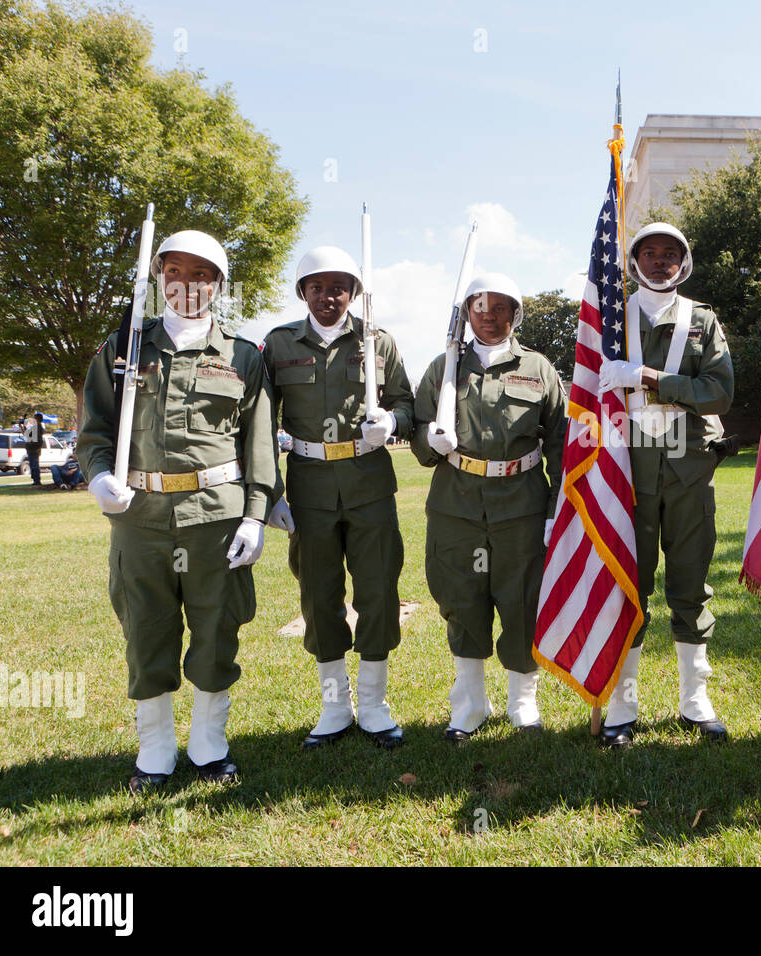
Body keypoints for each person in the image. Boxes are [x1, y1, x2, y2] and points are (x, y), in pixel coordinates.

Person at [78, 228, 279, 790]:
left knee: (217, 629)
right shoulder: (124, 348)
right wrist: (98, 480)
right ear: (159, 277)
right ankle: (156, 749)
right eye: (174, 272)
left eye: (200, 274)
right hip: (139, 520)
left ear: (217, 284)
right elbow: (94, 432)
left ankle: (209, 745)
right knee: (146, 629)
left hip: (216, 516)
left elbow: (258, 443)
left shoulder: (244, 356)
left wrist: (256, 514)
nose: (185, 284)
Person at [262, 246, 414, 749]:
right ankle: (335, 706)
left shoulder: (378, 342)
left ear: (354, 293)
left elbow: (409, 406)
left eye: (339, 287)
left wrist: (391, 423)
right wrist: (272, 494)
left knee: (378, 592)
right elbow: (260, 425)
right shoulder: (280, 344)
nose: (329, 296)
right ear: (302, 292)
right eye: (318, 287)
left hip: (369, 483)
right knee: (319, 597)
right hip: (308, 488)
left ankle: (373, 705)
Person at [596, 222, 734, 747]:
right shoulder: (612, 321)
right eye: (648, 253)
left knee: (691, 583)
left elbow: (719, 392)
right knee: (627, 584)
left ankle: (694, 699)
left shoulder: (701, 319)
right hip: (624, 472)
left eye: (670, 254)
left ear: (685, 262)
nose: (659, 262)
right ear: (632, 262)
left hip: (686, 468)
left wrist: (652, 378)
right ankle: (622, 705)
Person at [412, 273, 565, 740]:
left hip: (520, 503)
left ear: (515, 314)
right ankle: (470, 704)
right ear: (465, 314)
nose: (490, 316)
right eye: (480, 307)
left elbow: (560, 441)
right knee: (461, 598)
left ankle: (523, 702)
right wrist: (429, 439)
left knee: (521, 601)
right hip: (456, 505)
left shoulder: (539, 368)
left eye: (500, 307)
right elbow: (418, 438)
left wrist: (556, 508)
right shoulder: (444, 367)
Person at [24, 412, 44, 485]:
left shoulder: (37, 428)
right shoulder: (36, 427)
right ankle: (35, 480)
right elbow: (27, 434)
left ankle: (37, 480)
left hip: (34, 450)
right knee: (33, 465)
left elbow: (35, 440)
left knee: (34, 466)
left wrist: (30, 444)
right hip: (32, 450)